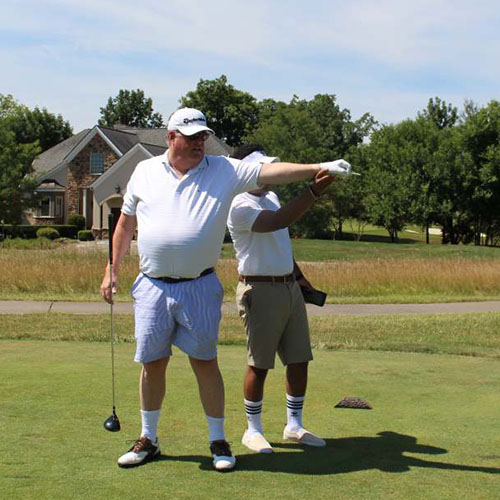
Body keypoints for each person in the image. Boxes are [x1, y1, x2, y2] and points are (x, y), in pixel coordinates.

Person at [100, 108, 351, 471]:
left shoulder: (223, 169)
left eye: (203, 136)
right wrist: (112, 268)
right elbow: (125, 224)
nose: (200, 143)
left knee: (205, 363)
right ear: (171, 136)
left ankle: (219, 441)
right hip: (152, 285)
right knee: (153, 364)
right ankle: (148, 439)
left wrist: (318, 167)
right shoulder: (144, 171)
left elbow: (270, 172)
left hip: (199, 285)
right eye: (191, 137)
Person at [227, 144, 335, 453]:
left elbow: (280, 242)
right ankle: (253, 430)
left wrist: (298, 277)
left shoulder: (271, 196)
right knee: (259, 364)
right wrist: (313, 193)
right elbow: (277, 222)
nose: (268, 175)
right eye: (261, 169)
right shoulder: (239, 205)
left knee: (299, 359)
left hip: (288, 287)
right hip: (258, 289)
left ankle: (294, 425)